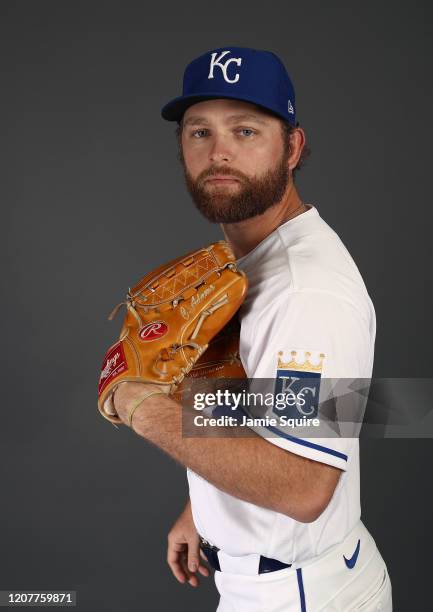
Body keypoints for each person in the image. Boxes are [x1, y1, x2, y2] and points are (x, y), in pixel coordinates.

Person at [112, 46, 393, 611]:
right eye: (200, 133)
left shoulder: (304, 291)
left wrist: (145, 409)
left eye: (245, 131)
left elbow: (303, 484)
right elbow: (270, 410)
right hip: (289, 574)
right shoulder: (250, 264)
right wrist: (207, 507)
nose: (219, 152)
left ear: (292, 147)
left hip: (298, 593)